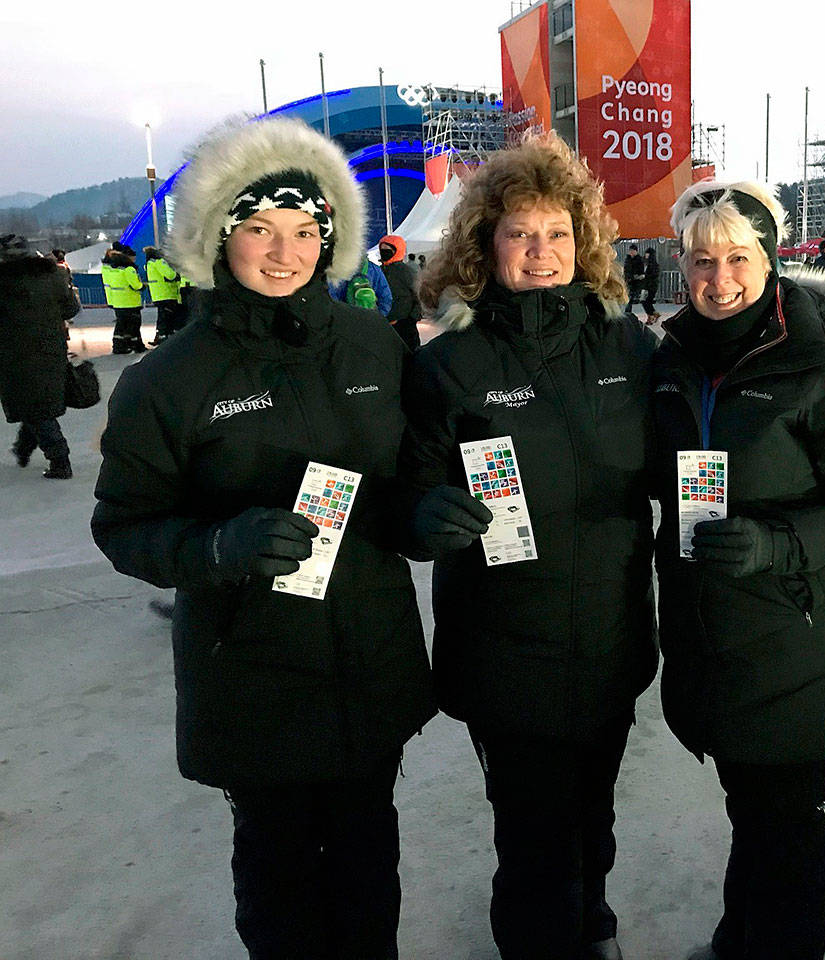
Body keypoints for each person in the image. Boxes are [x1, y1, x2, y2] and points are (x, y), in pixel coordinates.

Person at [91, 117, 436, 960]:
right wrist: (219, 546)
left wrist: (423, 518)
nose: (285, 252)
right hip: (251, 675)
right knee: (280, 882)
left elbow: (398, 483)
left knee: (367, 868)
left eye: (305, 231)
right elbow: (123, 526)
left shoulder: (373, 346)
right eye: (259, 229)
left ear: (331, 238)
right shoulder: (168, 379)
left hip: (368, 657)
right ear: (218, 236)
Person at [406, 132, 657, 960]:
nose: (540, 251)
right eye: (519, 233)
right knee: (533, 836)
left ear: (582, 242)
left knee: (596, 814)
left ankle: (596, 925)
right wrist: (429, 514)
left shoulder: (628, 347)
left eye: (555, 232)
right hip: (507, 654)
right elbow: (408, 490)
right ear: (486, 246)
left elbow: (688, 456)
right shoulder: (452, 364)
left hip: (612, 638)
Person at [651, 180, 825, 960]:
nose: (718, 280)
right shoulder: (672, 360)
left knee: (787, 821)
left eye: (737, 257)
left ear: (770, 257)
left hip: (792, 635)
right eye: (700, 261)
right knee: (750, 806)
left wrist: (778, 544)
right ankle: (742, 939)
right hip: (704, 626)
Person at [1, 234, 80, 479]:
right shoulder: (52, 275)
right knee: (36, 402)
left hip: (13, 354)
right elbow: (72, 308)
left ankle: (60, 461)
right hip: (51, 348)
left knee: (34, 406)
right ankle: (23, 448)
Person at [377, 234, 423, 349]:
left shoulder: (406, 271)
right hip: (384, 324)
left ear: (397, 250)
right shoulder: (379, 270)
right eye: (382, 250)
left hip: (404, 324)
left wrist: (412, 318)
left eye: (388, 250)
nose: (384, 252)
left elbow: (419, 294)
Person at [101, 241, 145, 353]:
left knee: (122, 324)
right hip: (130, 301)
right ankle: (134, 345)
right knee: (133, 324)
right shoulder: (128, 270)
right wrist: (142, 286)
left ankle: (121, 345)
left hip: (117, 301)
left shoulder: (112, 269)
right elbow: (136, 285)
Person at [143, 245, 185, 344]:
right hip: (167, 293)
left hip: (157, 294)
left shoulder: (149, 264)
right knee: (168, 316)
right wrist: (177, 274)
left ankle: (160, 336)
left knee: (162, 316)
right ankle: (164, 337)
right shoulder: (158, 263)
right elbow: (170, 275)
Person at [623, 241, 645, 314]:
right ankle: (628, 311)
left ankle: (628, 311)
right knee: (629, 297)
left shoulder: (639, 259)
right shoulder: (627, 259)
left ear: (636, 251)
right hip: (629, 280)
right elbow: (626, 269)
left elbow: (641, 271)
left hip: (636, 281)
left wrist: (638, 276)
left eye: (633, 251)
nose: (631, 252)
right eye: (630, 251)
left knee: (631, 297)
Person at [641, 246, 661, 324]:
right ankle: (653, 314)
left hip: (650, 286)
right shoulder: (645, 263)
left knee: (646, 301)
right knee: (645, 301)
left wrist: (645, 276)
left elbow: (653, 276)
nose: (646, 255)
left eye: (647, 253)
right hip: (645, 285)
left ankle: (651, 316)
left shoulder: (654, 265)